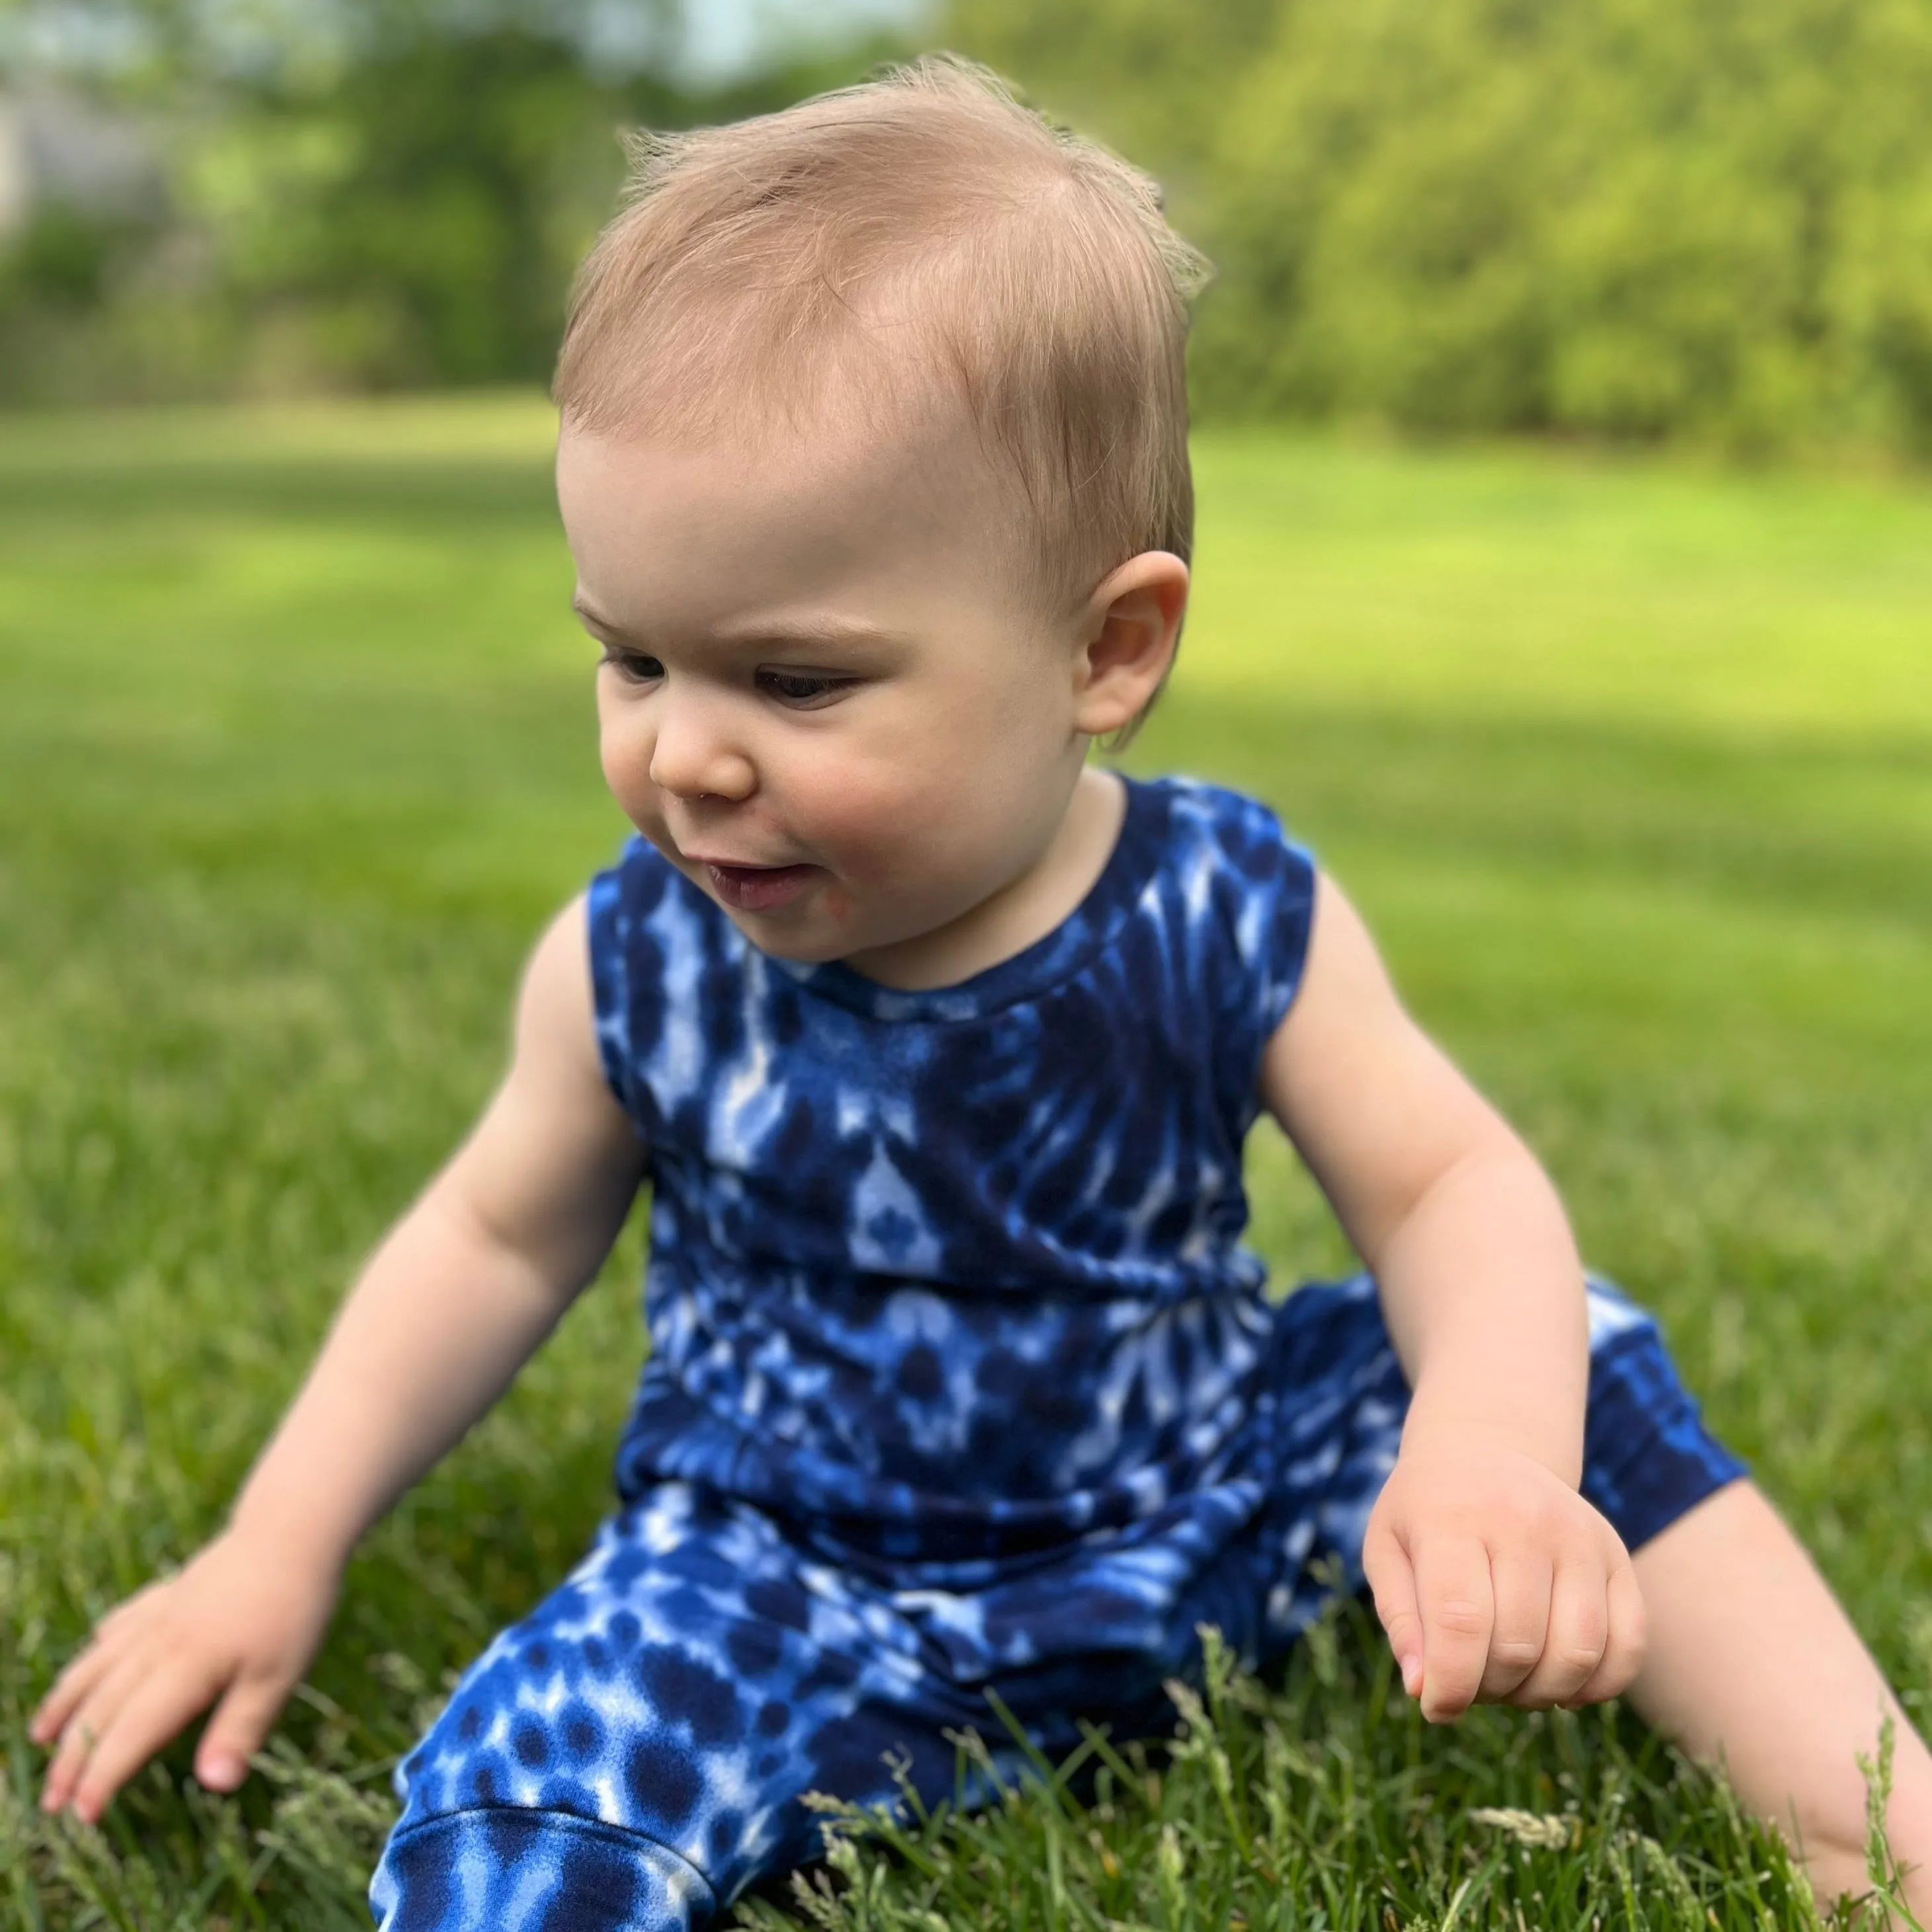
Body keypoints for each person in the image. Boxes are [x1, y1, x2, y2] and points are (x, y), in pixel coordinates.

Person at [28, 56, 1932, 1931]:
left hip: (1215, 1492)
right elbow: (492, 1238)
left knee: (1564, 1345)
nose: (687, 758)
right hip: (787, 1571)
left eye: (794, 682)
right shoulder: (635, 958)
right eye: (634, 660)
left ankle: (1878, 1834)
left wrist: (1489, 1460)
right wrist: (272, 1549)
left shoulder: (1222, 907)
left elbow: (1449, 1188)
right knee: (538, 1771)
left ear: (1107, 648)